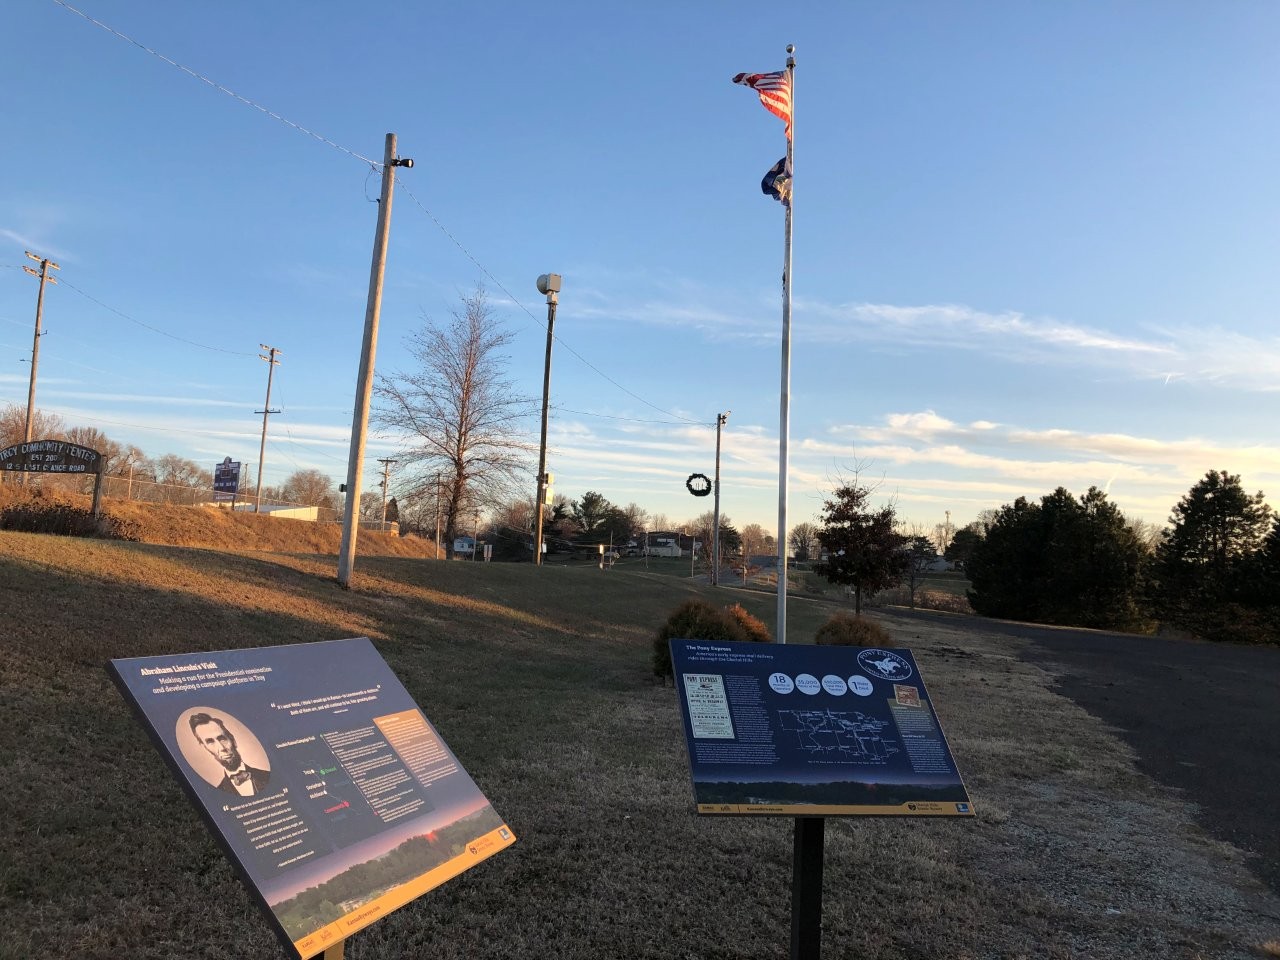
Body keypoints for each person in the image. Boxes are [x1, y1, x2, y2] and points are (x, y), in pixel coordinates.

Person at [189, 712, 270, 796]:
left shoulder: (267, 776)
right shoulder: (218, 795)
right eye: (210, 742)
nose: (221, 748)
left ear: (233, 740)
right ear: (205, 748)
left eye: (222, 738)